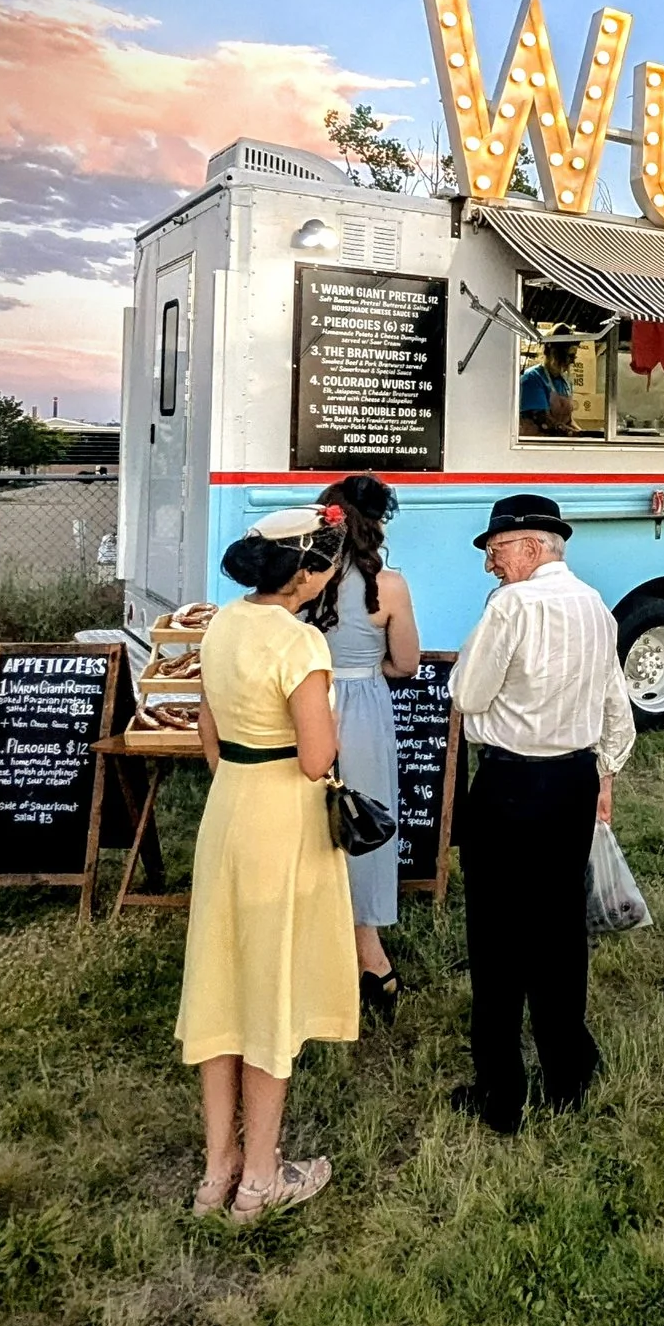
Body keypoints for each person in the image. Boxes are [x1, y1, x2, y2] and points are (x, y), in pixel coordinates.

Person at [180, 506, 359, 1222]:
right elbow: (318, 758)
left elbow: (208, 732)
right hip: (282, 821)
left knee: (221, 986)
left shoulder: (221, 624)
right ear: (308, 571)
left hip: (228, 810)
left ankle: (216, 1167)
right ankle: (260, 1179)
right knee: (270, 991)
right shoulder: (301, 644)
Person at [450, 492, 635, 1133]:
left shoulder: (511, 605)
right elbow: (617, 707)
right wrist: (605, 771)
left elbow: (466, 692)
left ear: (532, 546)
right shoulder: (597, 606)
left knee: (497, 937)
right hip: (573, 783)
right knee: (559, 931)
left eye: (496, 550)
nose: (491, 565)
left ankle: (501, 1092)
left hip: (508, 784)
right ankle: (567, 1075)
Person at [311, 473, 421, 1024]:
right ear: (376, 523)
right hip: (363, 706)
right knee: (363, 821)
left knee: (309, 824)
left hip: (307, 703)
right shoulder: (391, 585)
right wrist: (362, 671)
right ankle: (369, 955)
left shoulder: (303, 579)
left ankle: (314, 945)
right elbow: (407, 664)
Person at [518, 340, 579, 436]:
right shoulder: (532, 378)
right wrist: (572, 433)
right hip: (535, 443)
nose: (573, 361)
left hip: (556, 442)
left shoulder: (565, 382)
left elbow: (568, 421)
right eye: (570, 356)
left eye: (574, 356)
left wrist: (584, 434)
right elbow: (543, 421)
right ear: (554, 353)